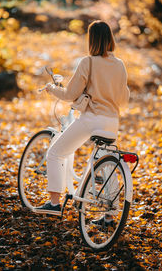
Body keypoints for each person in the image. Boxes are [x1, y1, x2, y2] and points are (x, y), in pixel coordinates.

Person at [34, 20, 130, 222]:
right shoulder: (120, 65)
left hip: (91, 119)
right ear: (110, 39)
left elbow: (70, 94)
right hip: (112, 122)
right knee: (106, 163)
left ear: (92, 40)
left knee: (56, 152)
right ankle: (110, 215)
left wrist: (52, 89)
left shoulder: (88, 62)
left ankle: (53, 204)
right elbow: (123, 99)